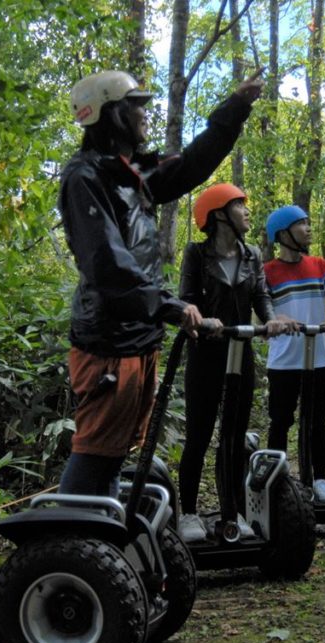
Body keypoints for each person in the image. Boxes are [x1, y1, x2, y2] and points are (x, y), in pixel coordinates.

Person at [56, 70, 263, 498]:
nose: (145, 114)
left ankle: (98, 544)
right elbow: (107, 264)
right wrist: (170, 305)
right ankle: (69, 546)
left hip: (139, 336)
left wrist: (236, 107)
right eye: (136, 106)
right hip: (108, 343)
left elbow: (191, 164)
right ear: (112, 114)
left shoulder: (133, 176)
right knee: (97, 449)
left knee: (116, 450)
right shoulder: (85, 179)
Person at [175, 183, 288, 542]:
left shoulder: (252, 254)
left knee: (235, 437)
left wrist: (271, 319)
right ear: (219, 214)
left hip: (242, 353)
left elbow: (261, 296)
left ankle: (232, 512)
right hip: (206, 354)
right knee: (199, 434)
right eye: (240, 206)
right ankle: (189, 512)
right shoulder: (196, 253)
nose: (247, 211)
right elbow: (187, 299)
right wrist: (203, 321)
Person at [263, 205, 325, 502]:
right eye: (302, 224)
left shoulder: (320, 264)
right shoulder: (268, 272)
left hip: (318, 358)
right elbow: (264, 311)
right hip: (284, 361)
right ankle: (277, 478)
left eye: (309, 223)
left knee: (317, 420)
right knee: (281, 420)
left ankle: (319, 479)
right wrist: (279, 321)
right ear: (283, 234)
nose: (309, 228)